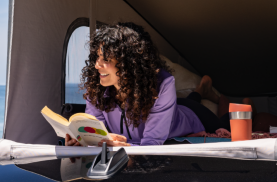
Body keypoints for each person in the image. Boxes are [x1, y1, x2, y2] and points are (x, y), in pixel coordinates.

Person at [65, 22, 241, 147]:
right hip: (174, 107)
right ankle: (201, 91)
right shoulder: (97, 86)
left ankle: (244, 103)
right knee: (186, 101)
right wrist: (83, 140)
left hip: (190, 115)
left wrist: (112, 144)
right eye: (97, 58)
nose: (97, 65)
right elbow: (96, 131)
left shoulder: (164, 83)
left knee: (226, 125)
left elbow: (151, 144)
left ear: (127, 63)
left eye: (106, 59)